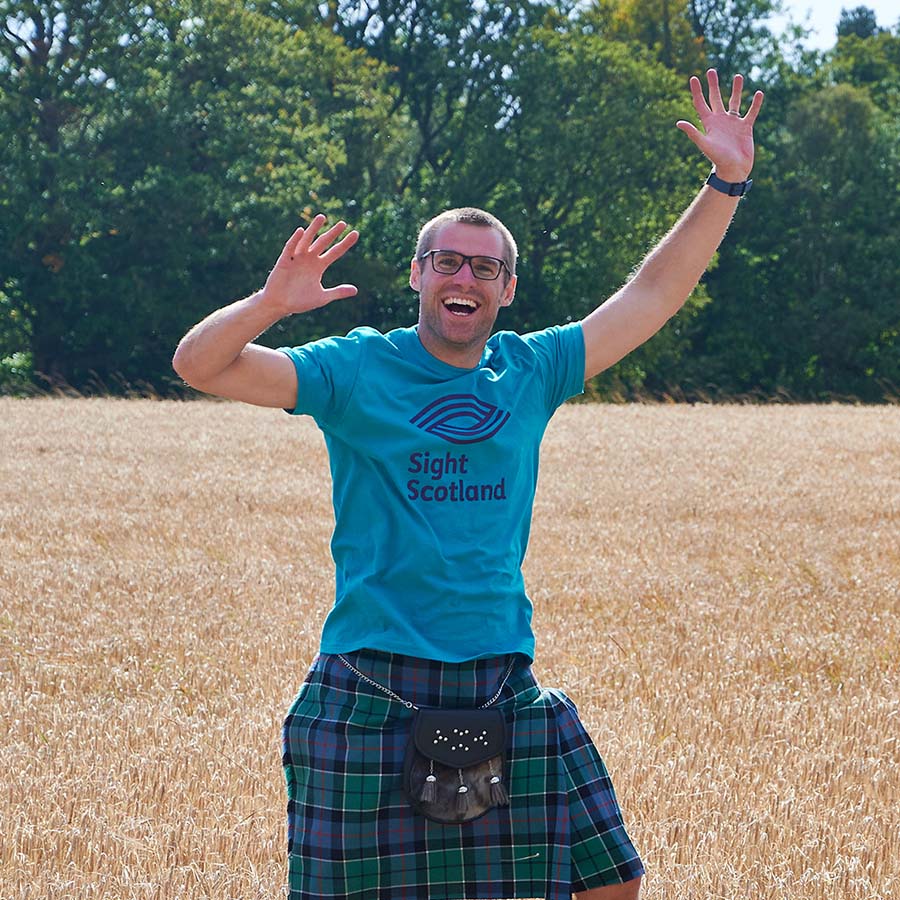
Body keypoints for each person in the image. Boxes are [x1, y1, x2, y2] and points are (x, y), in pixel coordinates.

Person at [173, 69, 763, 900]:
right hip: (371, 681)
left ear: (507, 289)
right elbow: (200, 365)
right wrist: (271, 302)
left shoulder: (534, 368)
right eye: (447, 262)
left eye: (485, 269)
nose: (465, 278)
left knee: (610, 882)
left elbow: (653, 293)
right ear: (418, 275)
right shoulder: (354, 368)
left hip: (500, 680)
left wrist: (725, 181)